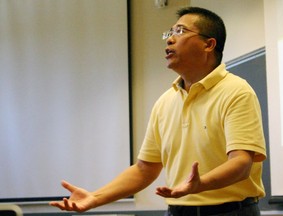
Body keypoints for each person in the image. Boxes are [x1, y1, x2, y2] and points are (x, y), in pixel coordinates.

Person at [50, 6, 266, 216]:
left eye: (180, 31)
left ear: (209, 44)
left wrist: (200, 185)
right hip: (176, 211)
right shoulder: (165, 101)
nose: (170, 39)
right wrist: (95, 198)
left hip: (230, 211)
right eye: (169, 33)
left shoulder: (236, 91)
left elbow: (241, 163)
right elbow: (145, 169)